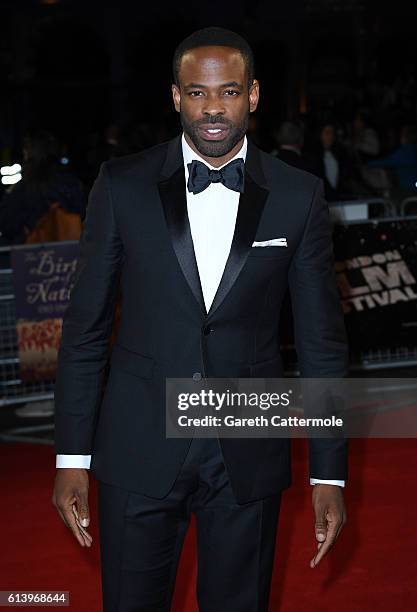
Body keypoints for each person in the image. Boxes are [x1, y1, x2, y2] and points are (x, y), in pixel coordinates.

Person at [52, 27, 348, 611]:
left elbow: (321, 343)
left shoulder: (299, 195)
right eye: (197, 92)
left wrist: (328, 472)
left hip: (247, 446)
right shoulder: (122, 185)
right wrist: (71, 457)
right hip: (137, 446)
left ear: (254, 95)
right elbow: (84, 331)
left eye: (229, 91)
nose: (213, 107)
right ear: (176, 96)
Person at [0, 130, 86, 245]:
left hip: (29, 253)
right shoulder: (69, 181)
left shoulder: (23, 186)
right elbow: (82, 211)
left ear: (28, 153)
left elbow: (7, 223)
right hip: (68, 251)